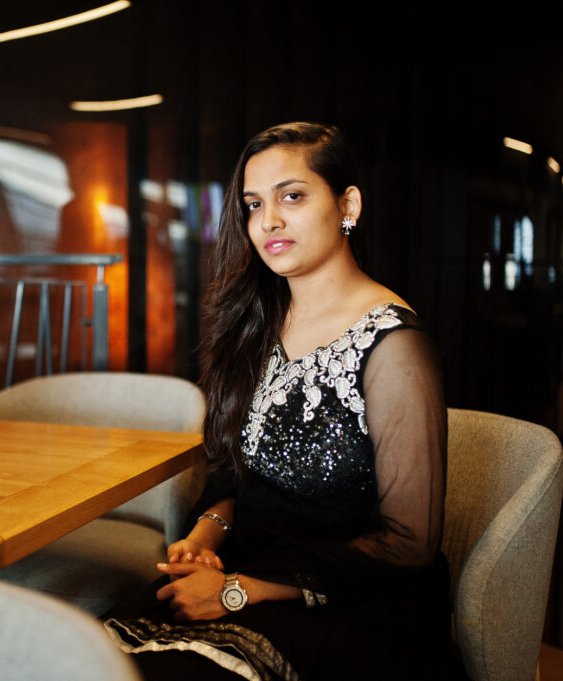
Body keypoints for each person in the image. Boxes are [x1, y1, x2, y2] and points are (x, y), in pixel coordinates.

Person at [103, 122, 461, 681]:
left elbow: (408, 547)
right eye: (253, 204)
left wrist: (238, 593)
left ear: (348, 205)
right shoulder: (259, 323)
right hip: (242, 569)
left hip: (352, 607)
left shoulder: (395, 347)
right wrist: (203, 539)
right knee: (86, 656)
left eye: (291, 196)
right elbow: (237, 479)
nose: (267, 221)